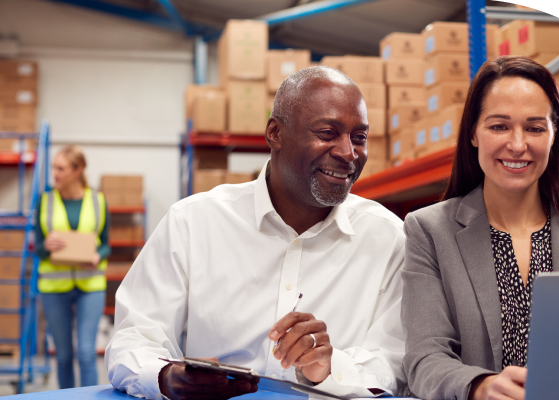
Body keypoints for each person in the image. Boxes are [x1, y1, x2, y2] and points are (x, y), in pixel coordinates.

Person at [106, 66, 407, 400]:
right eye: (327, 133)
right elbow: (133, 339)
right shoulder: (192, 223)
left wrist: (330, 367)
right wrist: (166, 377)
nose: (348, 153)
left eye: (359, 138)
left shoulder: (389, 239)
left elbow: (395, 361)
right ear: (275, 133)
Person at [400, 56, 559, 400]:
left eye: (535, 128)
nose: (518, 144)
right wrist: (481, 386)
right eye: (499, 126)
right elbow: (424, 358)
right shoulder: (430, 231)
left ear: (554, 136)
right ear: (473, 134)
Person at [35, 145, 109, 389]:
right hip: (54, 287)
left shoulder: (98, 201)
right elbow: (39, 248)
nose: (54, 174)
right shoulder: (45, 201)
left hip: (91, 284)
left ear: (78, 171)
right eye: (54, 168)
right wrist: (46, 245)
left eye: (61, 168)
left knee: (87, 353)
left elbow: (106, 244)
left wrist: (98, 255)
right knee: (64, 356)